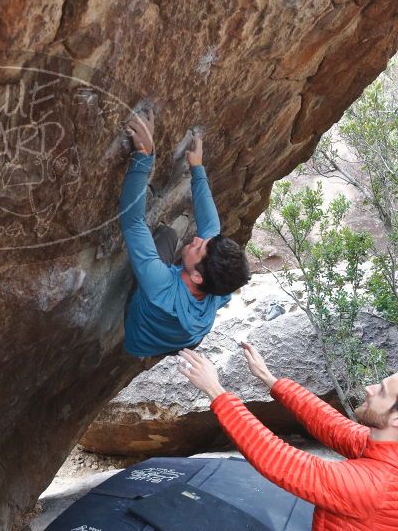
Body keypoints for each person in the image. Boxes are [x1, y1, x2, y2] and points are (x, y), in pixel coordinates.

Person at [178, 343, 398, 530]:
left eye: (381, 392)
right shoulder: (386, 447)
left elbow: (281, 460)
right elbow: (329, 423)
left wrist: (215, 391)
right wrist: (268, 377)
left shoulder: (377, 486)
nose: (369, 388)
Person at [119, 110, 249, 358]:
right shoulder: (218, 290)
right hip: (178, 336)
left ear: (199, 277)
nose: (196, 239)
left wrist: (143, 156)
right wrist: (197, 168)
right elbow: (211, 226)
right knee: (169, 237)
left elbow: (133, 222)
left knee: (161, 239)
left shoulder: (160, 287)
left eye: (199, 248)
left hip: (138, 334)